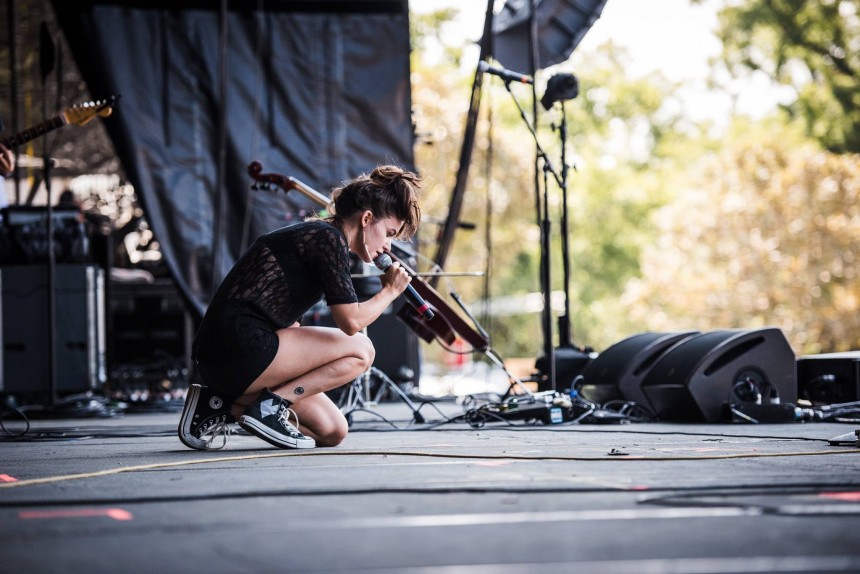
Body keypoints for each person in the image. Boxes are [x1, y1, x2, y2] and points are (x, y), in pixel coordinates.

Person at [178, 164, 422, 450]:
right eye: (389, 233)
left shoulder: (324, 238)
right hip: (236, 347)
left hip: (231, 356)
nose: (388, 246)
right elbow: (351, 322)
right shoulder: (328, 238)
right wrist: (390, 291)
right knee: (362, 350)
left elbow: (287, 320)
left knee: (332, 430)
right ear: (367, 218)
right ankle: (271, 406)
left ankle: (217, 405)